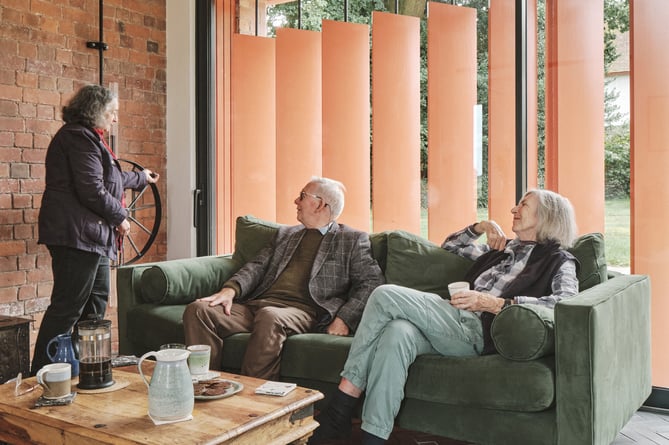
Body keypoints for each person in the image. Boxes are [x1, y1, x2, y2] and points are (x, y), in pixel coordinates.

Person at [310, 189, 579, 445]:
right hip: (451, 323)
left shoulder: (559, 260)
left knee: (384, 294)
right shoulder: (503, 248)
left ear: (546, 217)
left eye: (523, 205)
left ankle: (341, 405)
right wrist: (481, 227)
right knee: (396, 333)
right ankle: (373, 438)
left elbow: (565, 303)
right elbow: (451, 245)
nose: (514, 209)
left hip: (478, 330)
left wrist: (495, 303)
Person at [183, 176, 385, 380]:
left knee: (270, 316)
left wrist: (344, 319)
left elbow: (371, 282)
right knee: (199, 310)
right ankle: (204, 385)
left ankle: (255, 398)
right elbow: (257, 266)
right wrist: (230, 290)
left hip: (303, 312)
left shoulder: (351, 239)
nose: (295, 202)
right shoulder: (286, 234)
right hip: (258, 306)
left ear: (320, 204)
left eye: (302, 196)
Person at [31, 84, 159, 375]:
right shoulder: (77, 138)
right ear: (95, 112)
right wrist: (120, 217)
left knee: (95, 307)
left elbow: (109, 177)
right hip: (77, 237)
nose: (114, 119)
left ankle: (88, 370)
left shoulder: (91, 140)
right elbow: (91, 189)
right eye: (112, 113)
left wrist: (141, 177)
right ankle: (42, 373)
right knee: (68, 307)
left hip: (93, 239)